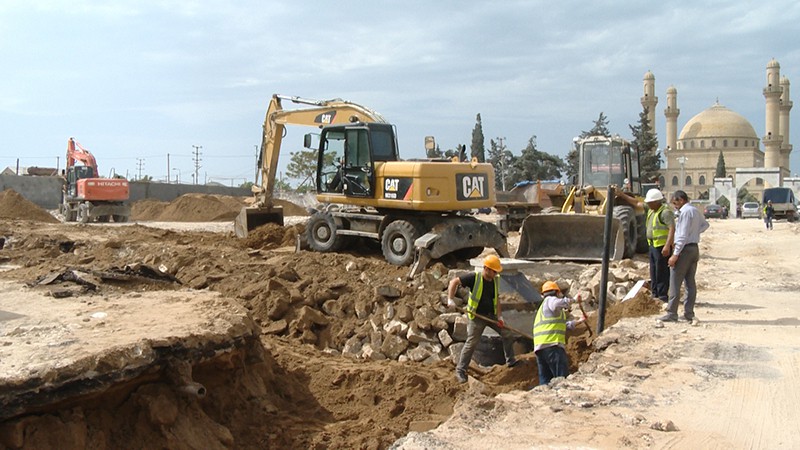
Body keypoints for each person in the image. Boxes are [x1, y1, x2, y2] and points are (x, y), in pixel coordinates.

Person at [447, 255, 517, 383]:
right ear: (487, 269)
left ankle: (511, 362)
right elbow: (454, 282)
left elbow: (497, 299)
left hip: (491, 315)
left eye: (496, 272)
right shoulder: (474, 278)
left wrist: (500, 316)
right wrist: (450, 299)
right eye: (494, 271)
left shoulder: (495, 280)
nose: (495, 274)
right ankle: (460, 370)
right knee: (472, 343)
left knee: (507, 333)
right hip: (477, 317)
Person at [616, 188, 675, 302]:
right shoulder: (652, 210)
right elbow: (637, 203)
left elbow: (672, 229)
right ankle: (655, 294)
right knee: (653, 271)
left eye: (650, 202)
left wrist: (668, 246)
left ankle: (662, 296)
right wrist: (622, 195)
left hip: (662, 247)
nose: (648, 203)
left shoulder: (665, 212)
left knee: (662, 271)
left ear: (657, 201)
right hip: (653, 246)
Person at [659, 190, 709, 323]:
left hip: (684, 250)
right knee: (690, 283)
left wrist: (675, 255)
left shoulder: (686, 212)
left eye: (675, 203)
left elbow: (681, 236)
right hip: (694, 248)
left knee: (675, 282)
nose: (675, 206)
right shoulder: (695, 210)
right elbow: (705, 225)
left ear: (681, 200)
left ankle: (672, 313)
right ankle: (688, 313)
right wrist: (694, 233)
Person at [532, 281, 584, 386]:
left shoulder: (544, 309)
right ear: (556, 292)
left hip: (540, 349)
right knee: (562, 380)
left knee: (545, 382)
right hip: (552, 346)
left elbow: (562, 326)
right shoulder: (551, 300)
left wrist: (578, 321)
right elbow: (558, 303)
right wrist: (574, 300)